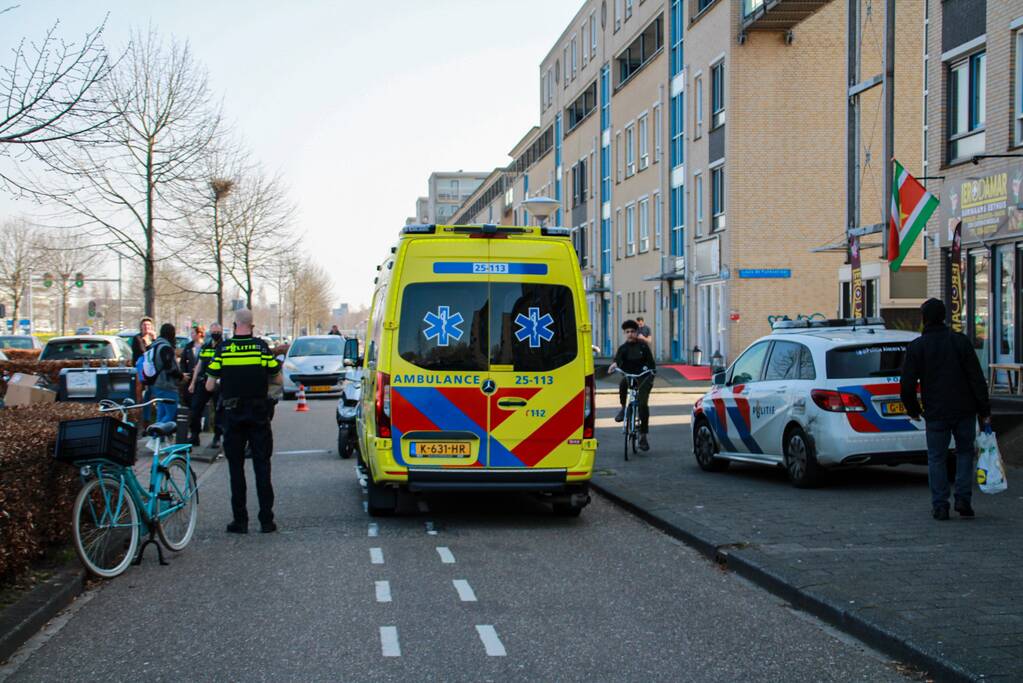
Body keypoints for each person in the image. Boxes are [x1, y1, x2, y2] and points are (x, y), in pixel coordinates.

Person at [900, 298, 991, 520]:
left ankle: (940, 505)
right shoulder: (960, 342)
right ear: (944, 317)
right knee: (965, 453)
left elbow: (908, 384)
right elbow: (976, 378)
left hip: (936, 411)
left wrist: (913, 409)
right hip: (964, 409)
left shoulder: (917, 347)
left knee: (936, 458)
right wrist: (984, 409)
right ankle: (962, 499)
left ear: (924, 319)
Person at [205, 308, 282, 534]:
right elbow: (276, 376)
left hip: (233, 414)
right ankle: (266, 520)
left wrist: (223, 385)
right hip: (258, 413)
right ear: (252, 325)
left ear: (235, 324)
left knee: (236, 468)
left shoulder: (224, 349)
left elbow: (209, 385)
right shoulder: (260, 347)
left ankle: (240, 521)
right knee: (262, 466)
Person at [607, 319, 656, 451]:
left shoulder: (644, 347)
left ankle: (643, 436)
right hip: (629, 376)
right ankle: (623, 408)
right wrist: (614, 365)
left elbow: (651, 364)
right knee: (623, 383)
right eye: (627, 332)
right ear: (625, 333)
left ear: (636, 332)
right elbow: (617, 360)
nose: (630, 334)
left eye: (632, 331)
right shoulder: (623, 348)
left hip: (643, 377)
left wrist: (651, 373)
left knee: (642, 404)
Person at [189, 322, 223, 449]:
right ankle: (194, 436)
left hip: (218, 383)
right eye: (213, 332)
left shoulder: (224, 347)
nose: (215, 334)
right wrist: (193, 382)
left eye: (217, 332)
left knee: (218, 410)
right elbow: (199, 365)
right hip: (203, 381)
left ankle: (217, 437)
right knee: (195, 408)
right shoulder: (206, 346)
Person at [147, 323, 183, 425]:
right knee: (171, 413)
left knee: (161, 413)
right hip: (167, 384)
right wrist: (181, 376)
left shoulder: (155, 345)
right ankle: (156, 432)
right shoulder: (165, 347)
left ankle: (157, 439)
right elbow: (170, 368)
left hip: (156, 383)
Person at [131, 317, 156, 424]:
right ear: (141, 327)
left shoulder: (153, 339)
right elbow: (143, 351)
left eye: (148, 326)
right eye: (144, 325)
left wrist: (154, 339)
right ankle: (138, 414)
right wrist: (148, 343)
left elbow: (156, 351)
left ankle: (148, 417)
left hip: (151, 370)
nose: (146, 327)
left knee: (150, 393)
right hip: (140, 370)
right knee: (139, 392)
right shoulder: (137, 338)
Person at [179, 325, 204, 403]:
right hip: (190, 376)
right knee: (188, 398)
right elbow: (182, 361)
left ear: (199, 334)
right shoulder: (189, 346)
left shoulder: (205, 346)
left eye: (193, 333)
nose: (191, 335)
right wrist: (184, 372)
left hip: (201, 377)